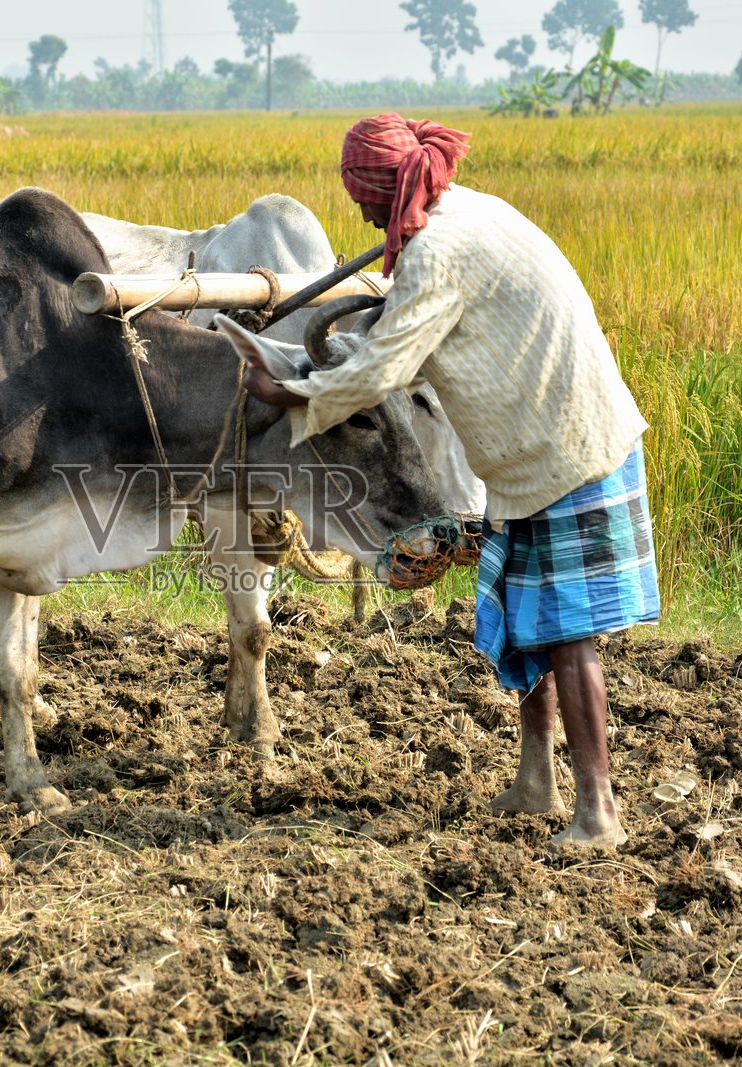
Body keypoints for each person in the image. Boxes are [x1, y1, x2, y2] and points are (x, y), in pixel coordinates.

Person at [244, 113, 658, 848]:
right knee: (532, 622)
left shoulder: (437, 253)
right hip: (533, 452)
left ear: (383, 187)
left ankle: (598, 812)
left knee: (568, 636)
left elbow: (383, 368)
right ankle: (538, 781)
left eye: (365, 201)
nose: (364, 215)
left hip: (566, 449)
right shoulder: (469, 209)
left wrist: (293, 395)